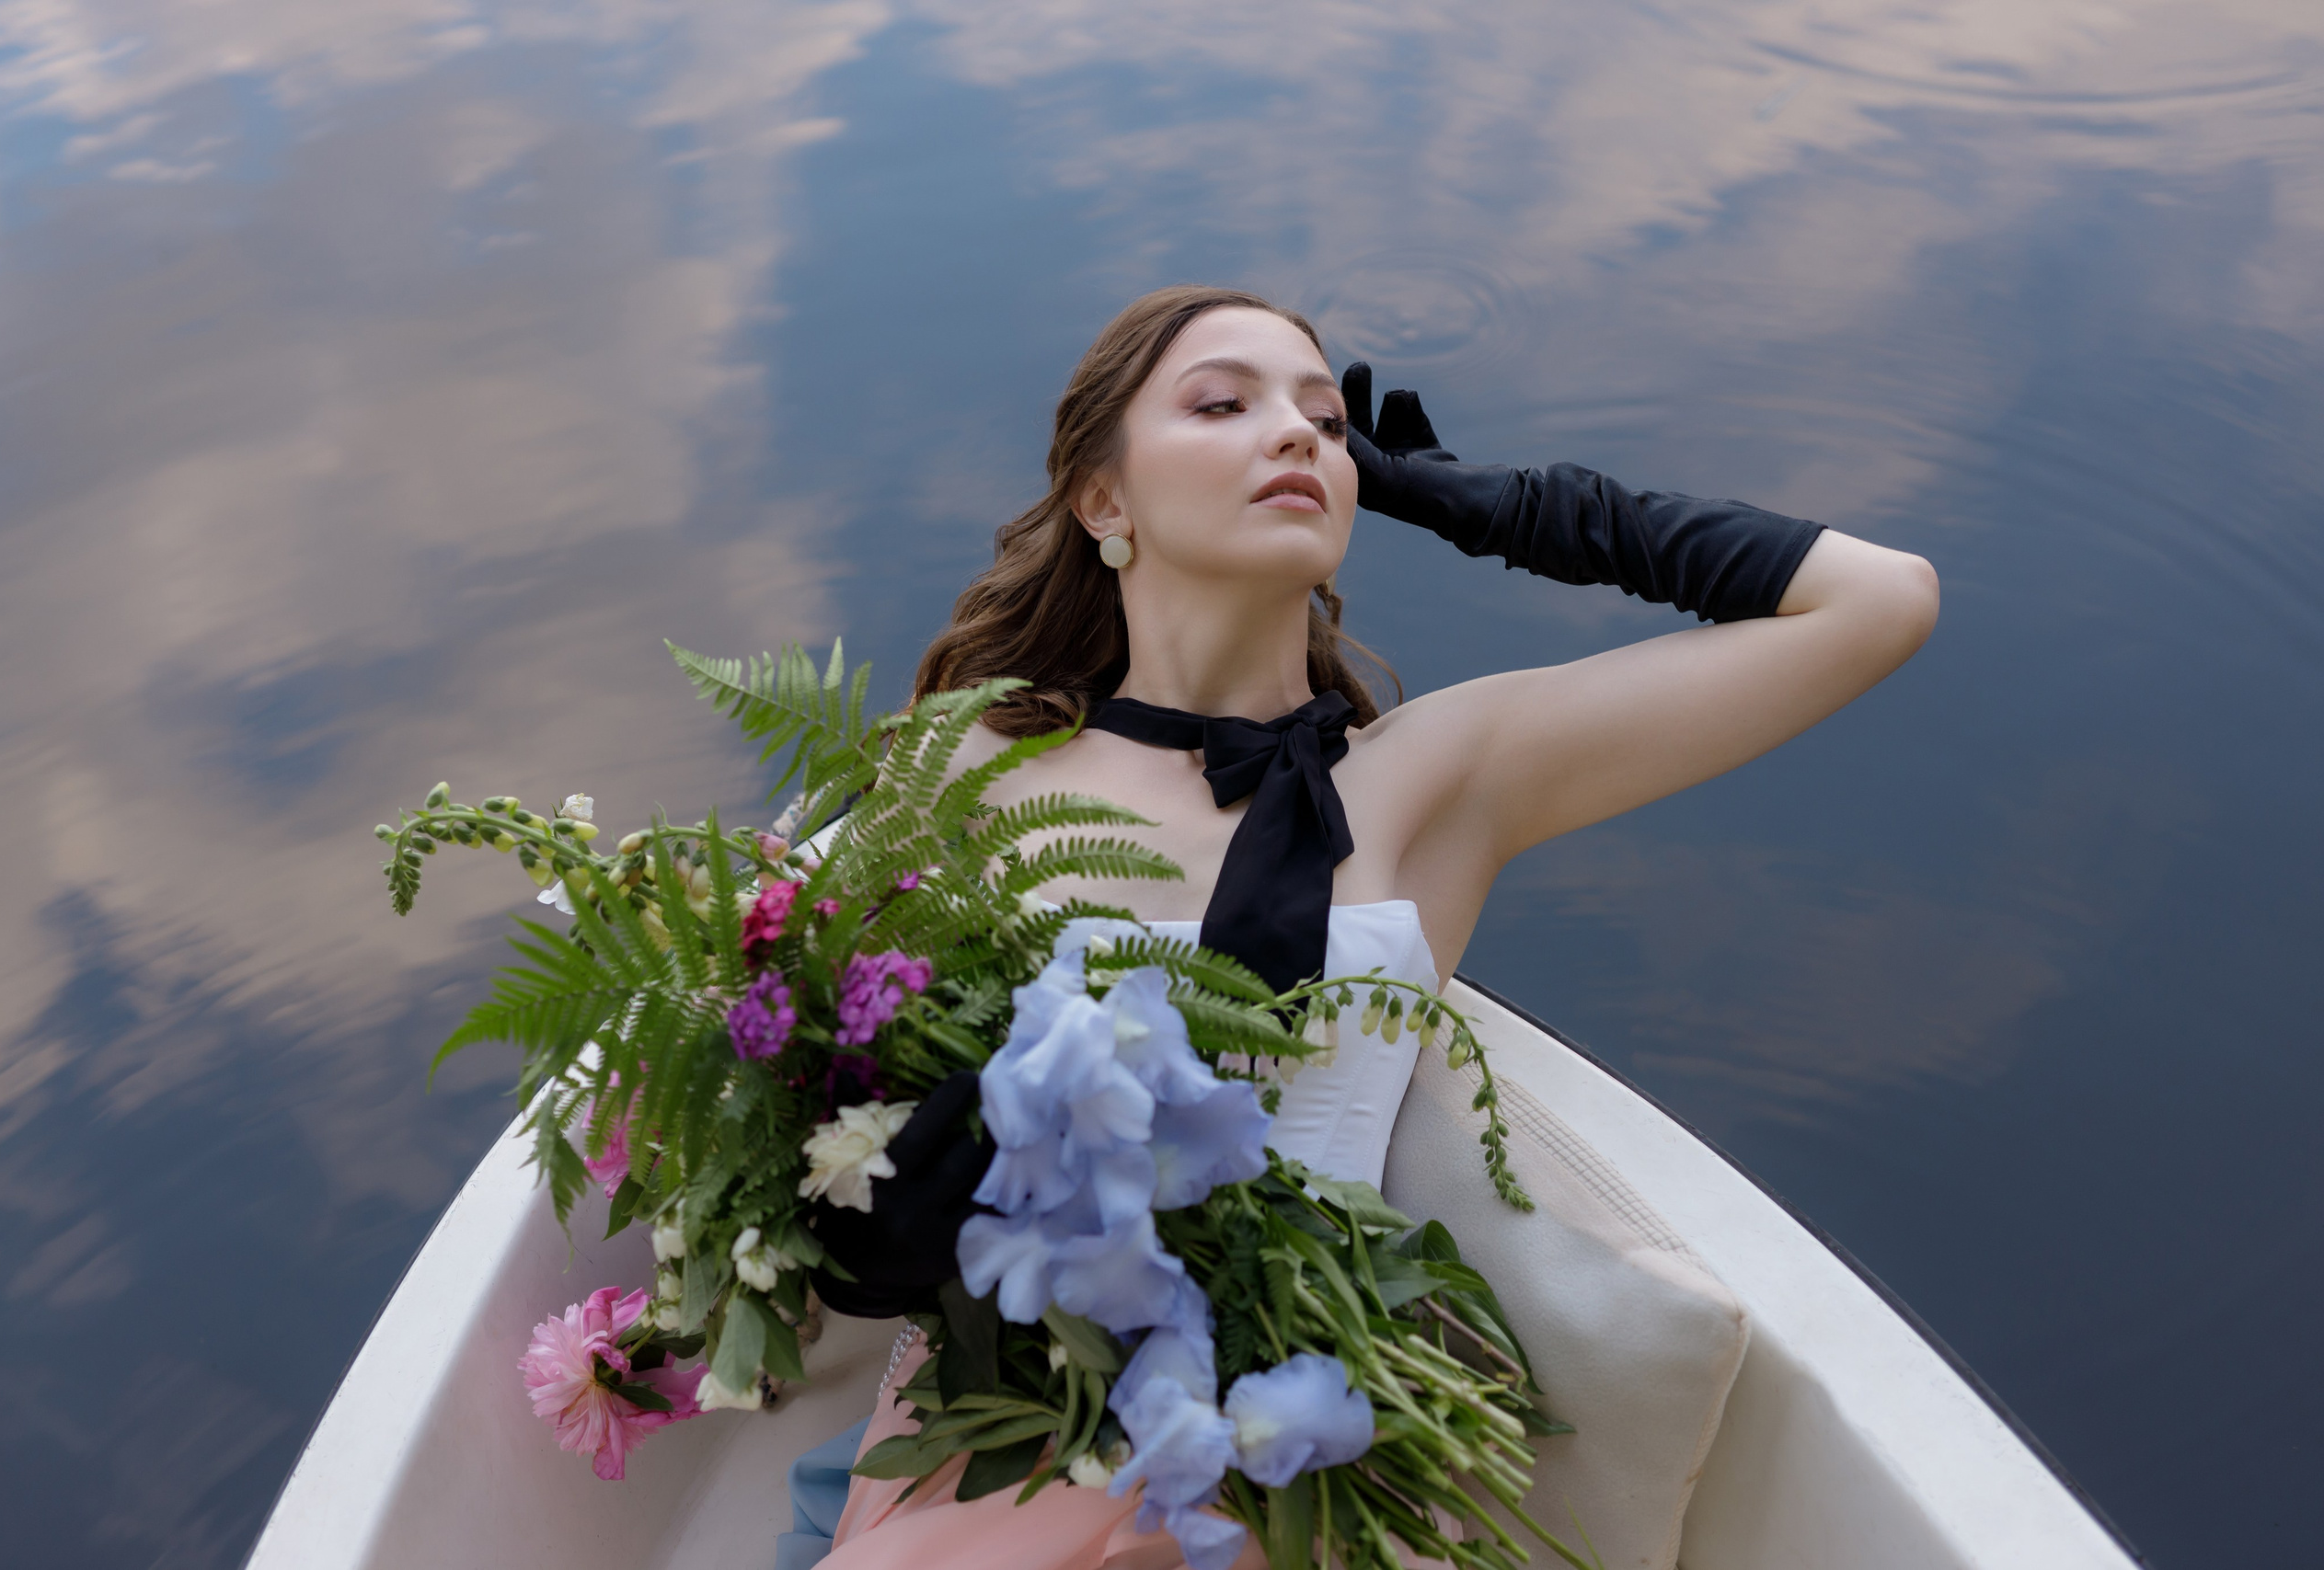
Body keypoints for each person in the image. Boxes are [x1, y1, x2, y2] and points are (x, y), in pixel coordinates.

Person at [797, 284, 1939, 1570]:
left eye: (1328, 422)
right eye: (1225, 403)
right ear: (1104, 501)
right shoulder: (969, 771)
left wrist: (1486, 505)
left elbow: (1878, 602)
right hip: (979, 1422)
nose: (1297, 435)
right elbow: (834, 1136)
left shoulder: (1433, 778)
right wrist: (891, 1208)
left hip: (1270, 1456)